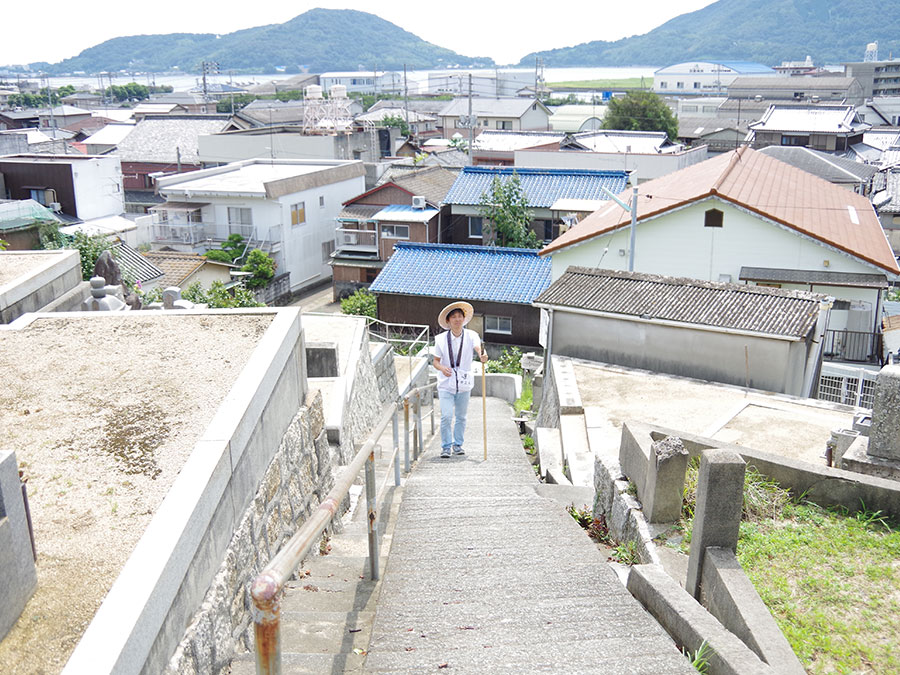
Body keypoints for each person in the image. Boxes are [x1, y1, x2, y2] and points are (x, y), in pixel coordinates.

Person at [432, 301, 488, 458]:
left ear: (464, 319)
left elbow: (479, 348)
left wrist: (482, 355)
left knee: (461, 417)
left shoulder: (471, 336)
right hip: (445, 383)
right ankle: (445, 446)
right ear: (448, 321)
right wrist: (442, 368)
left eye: (459, 317)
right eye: (453, 317)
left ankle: (458, 445)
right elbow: (435, 361)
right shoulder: (441, 339)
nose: (457, 320)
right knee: (446, 416)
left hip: (463, 383)